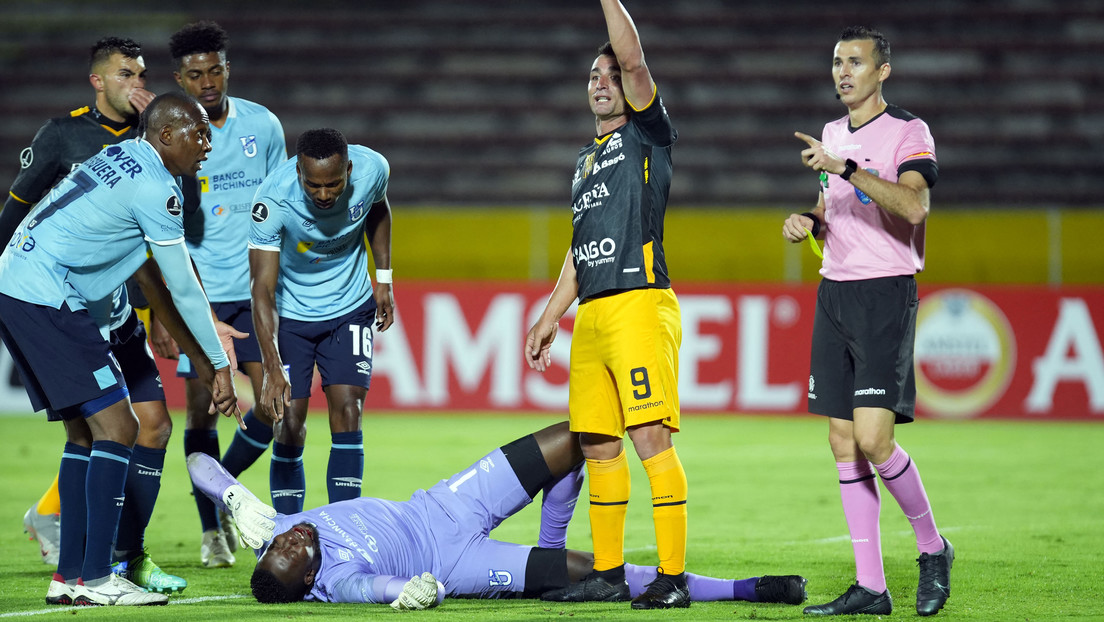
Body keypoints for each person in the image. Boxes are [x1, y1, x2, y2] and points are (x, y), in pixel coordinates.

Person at [0, 92, 242, 606]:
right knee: (121, 426)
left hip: (22, 286)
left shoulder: (121, 156)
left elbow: (146, 270)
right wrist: (217, 361)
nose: (208, 141)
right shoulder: (157, 186)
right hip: (47, 295)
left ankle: (69, 579)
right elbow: (180, 284)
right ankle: (97, 578)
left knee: (85, 434)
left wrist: (200, 359)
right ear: (167, 135)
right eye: (198, 132)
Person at [187, 421, 809, 608]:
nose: (292, 538)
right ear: (309, 580)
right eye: (293, 554)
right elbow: (378, 588)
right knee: (600, 570)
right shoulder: (338, 579)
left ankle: (550, 528)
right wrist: (410, 591)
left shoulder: (271, 530)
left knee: (580, 430)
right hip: (455, 561)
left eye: (279, 545)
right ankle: (750, 589)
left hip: (443, 502)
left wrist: (234, 498)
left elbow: (196, 462)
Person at [781, 26, 952, 617]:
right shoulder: (830, 133)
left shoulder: (909, 131)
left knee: (876, 439)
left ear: (883, 71)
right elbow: (831, 209)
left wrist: (847, 167)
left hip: (885, 294)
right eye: (836, 62)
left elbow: (913, 206)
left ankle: (932, 550)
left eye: (855, 61)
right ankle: (871, 588)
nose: (842, 71)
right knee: (842, 442)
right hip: (835, 293)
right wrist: (808, 219)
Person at [524, 0, 686, 609]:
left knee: (649, 439)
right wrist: (548, 318)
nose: (602, 82)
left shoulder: (649, 134)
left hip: (640, 306)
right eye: (594, 75)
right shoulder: (584, 161)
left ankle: (671, 580)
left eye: (611, 75)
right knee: (598, 445)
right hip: (591, 315)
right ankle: (610, 573)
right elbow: (578, 251)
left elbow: (635, 59)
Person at [149, 20, 287, 570]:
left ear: (227, 69)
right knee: (202, 412)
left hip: (255, 293)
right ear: (178, 78)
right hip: (197, 297)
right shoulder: (164, 137)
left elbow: (283, 204)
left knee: (274, 407)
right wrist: (160, 310)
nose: (207, 83)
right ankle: (213, 531)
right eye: (195, 74)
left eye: (215, 71)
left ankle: (221, 486)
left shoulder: (264, 125)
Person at [248, 128, 394, 514]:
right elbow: (261, 289)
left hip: (351, 308)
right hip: (293, 316)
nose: (325, 195)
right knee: (290, 422)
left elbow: (378, 208)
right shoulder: (272, 199)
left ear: (348, 169)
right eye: (314, 185)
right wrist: (271, 365)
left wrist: (384, 279)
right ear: (298, 171)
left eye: (334, 184)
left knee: (349, 410)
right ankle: (287, 531)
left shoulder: (374, 169)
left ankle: (343, 533)